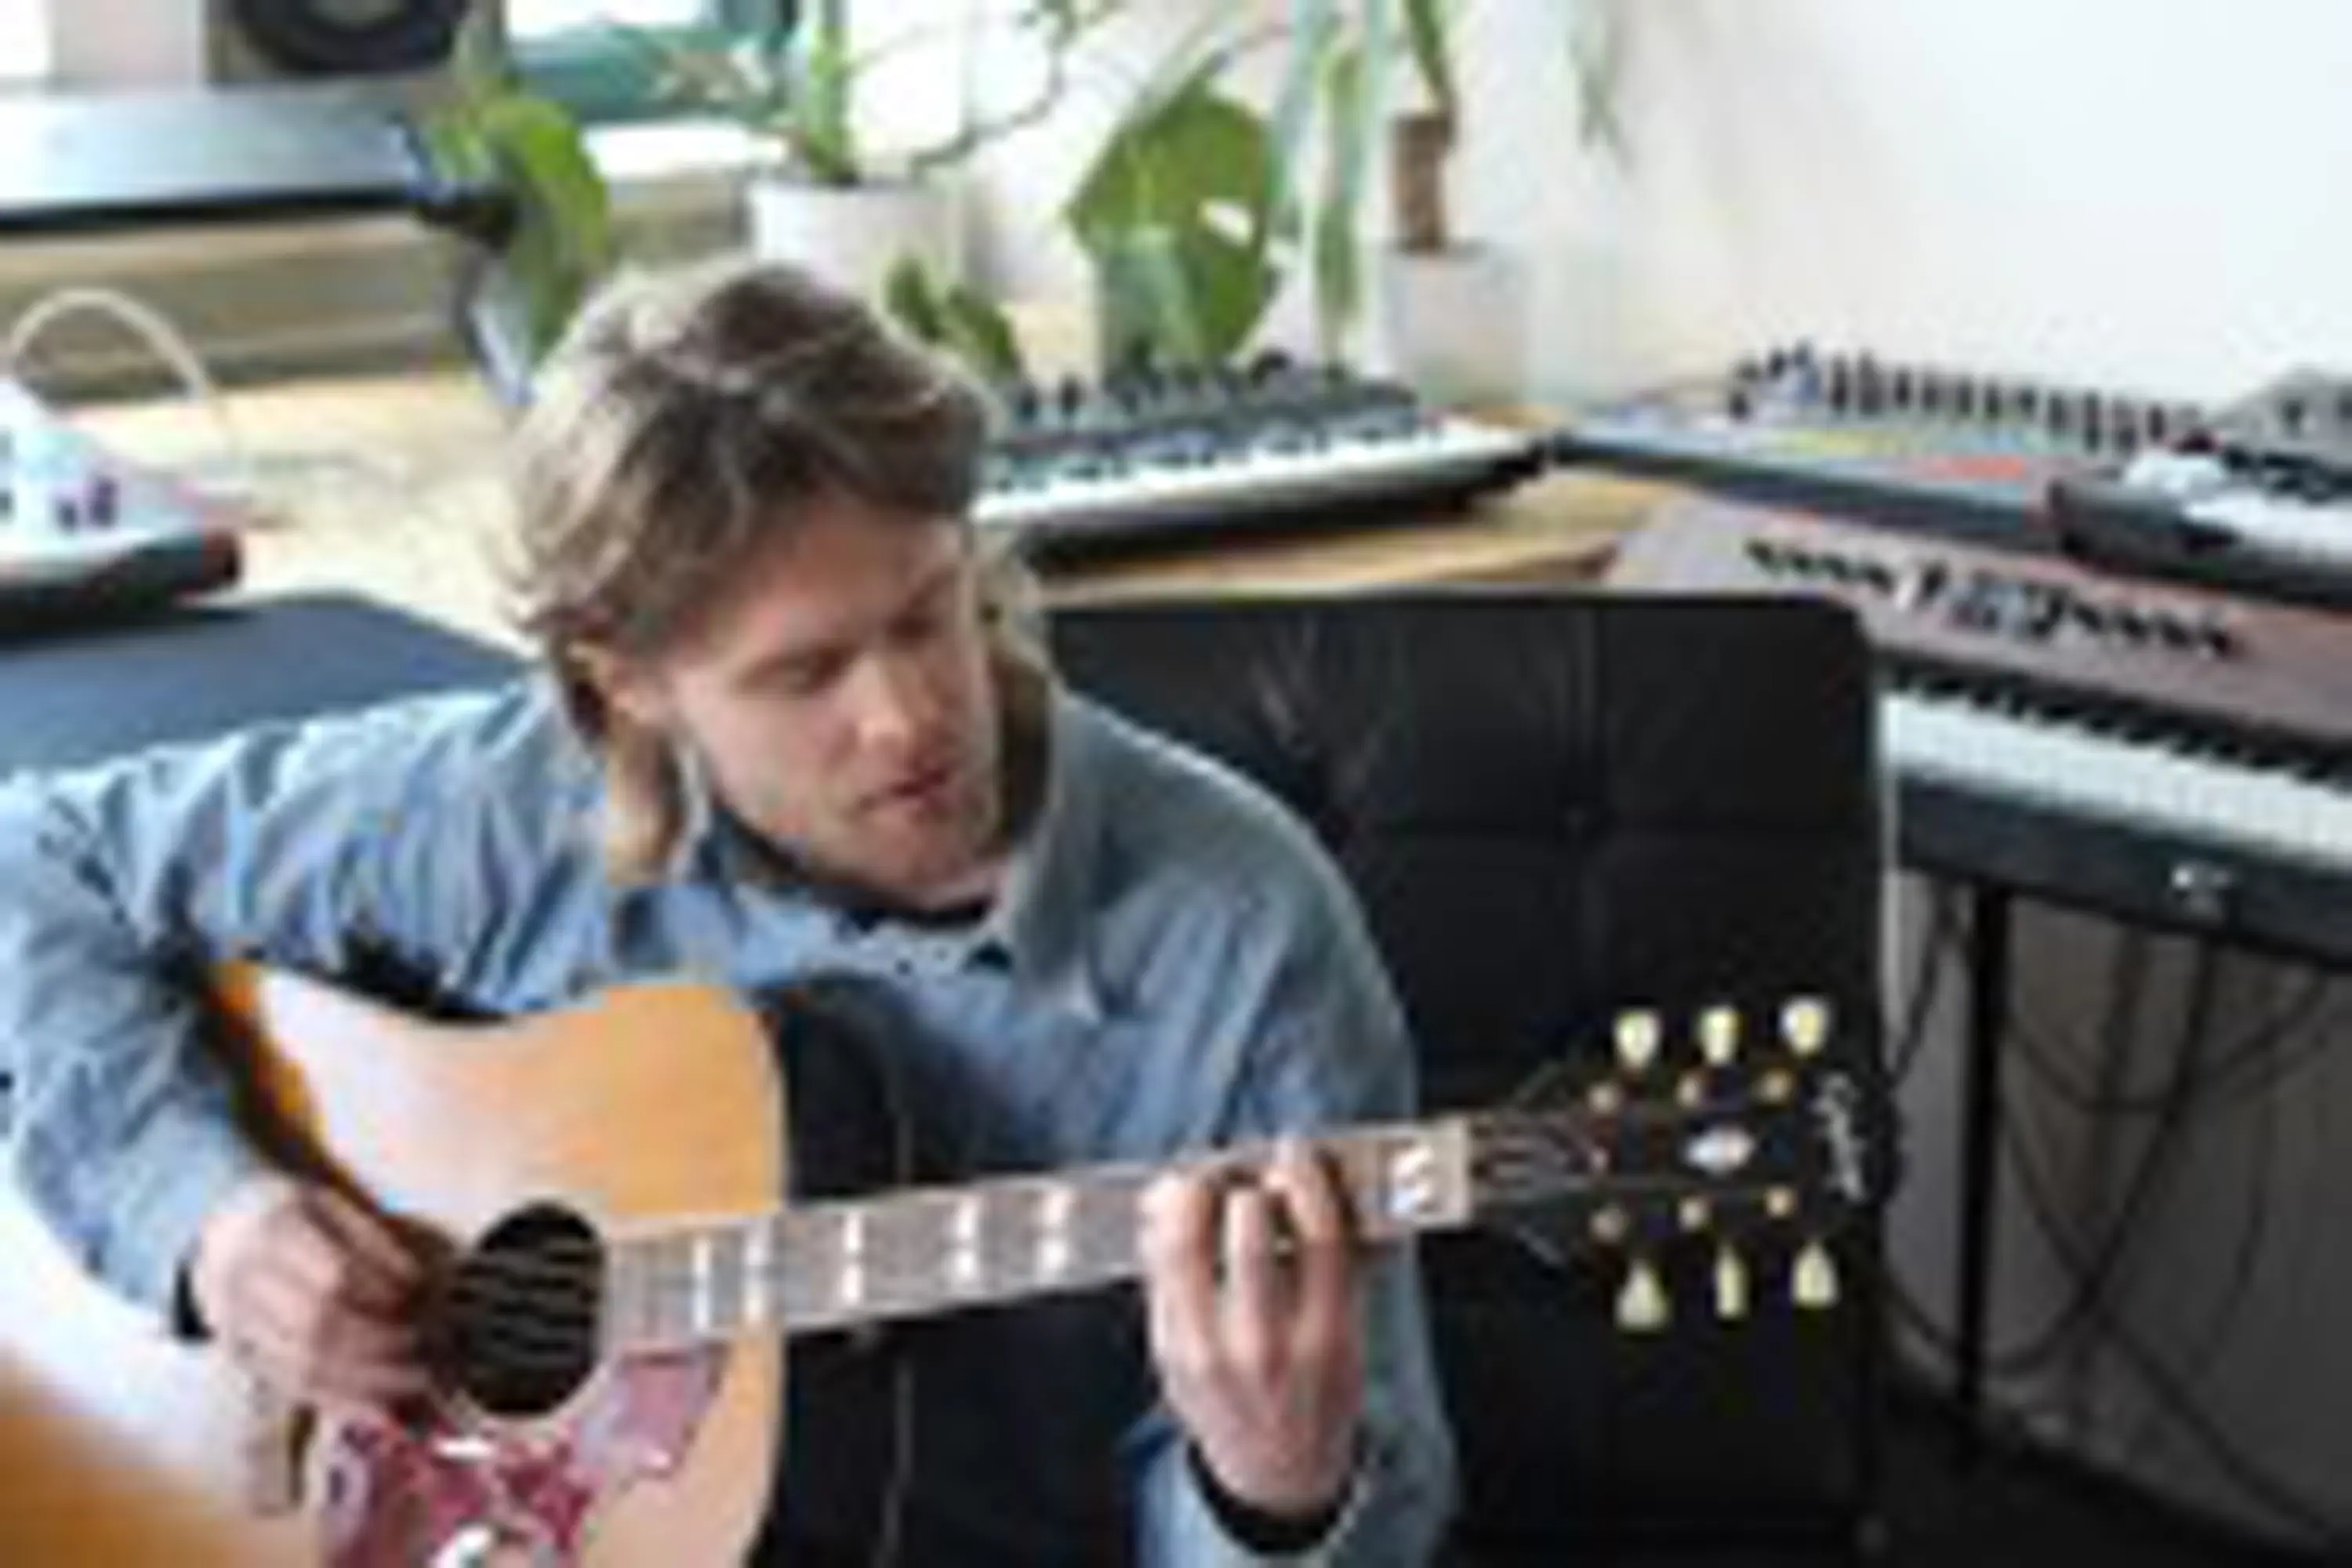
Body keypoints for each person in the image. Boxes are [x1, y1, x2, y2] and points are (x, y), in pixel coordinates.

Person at [0, 256, 1456, 1564]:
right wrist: (207, 1218)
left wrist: (1278, 1496)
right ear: (626, 682)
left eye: (926, 612)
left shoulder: (1242, 939)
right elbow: (33, 859)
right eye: (806, 673)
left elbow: (1351, 1521)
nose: (908, 716)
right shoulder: (513, 808)